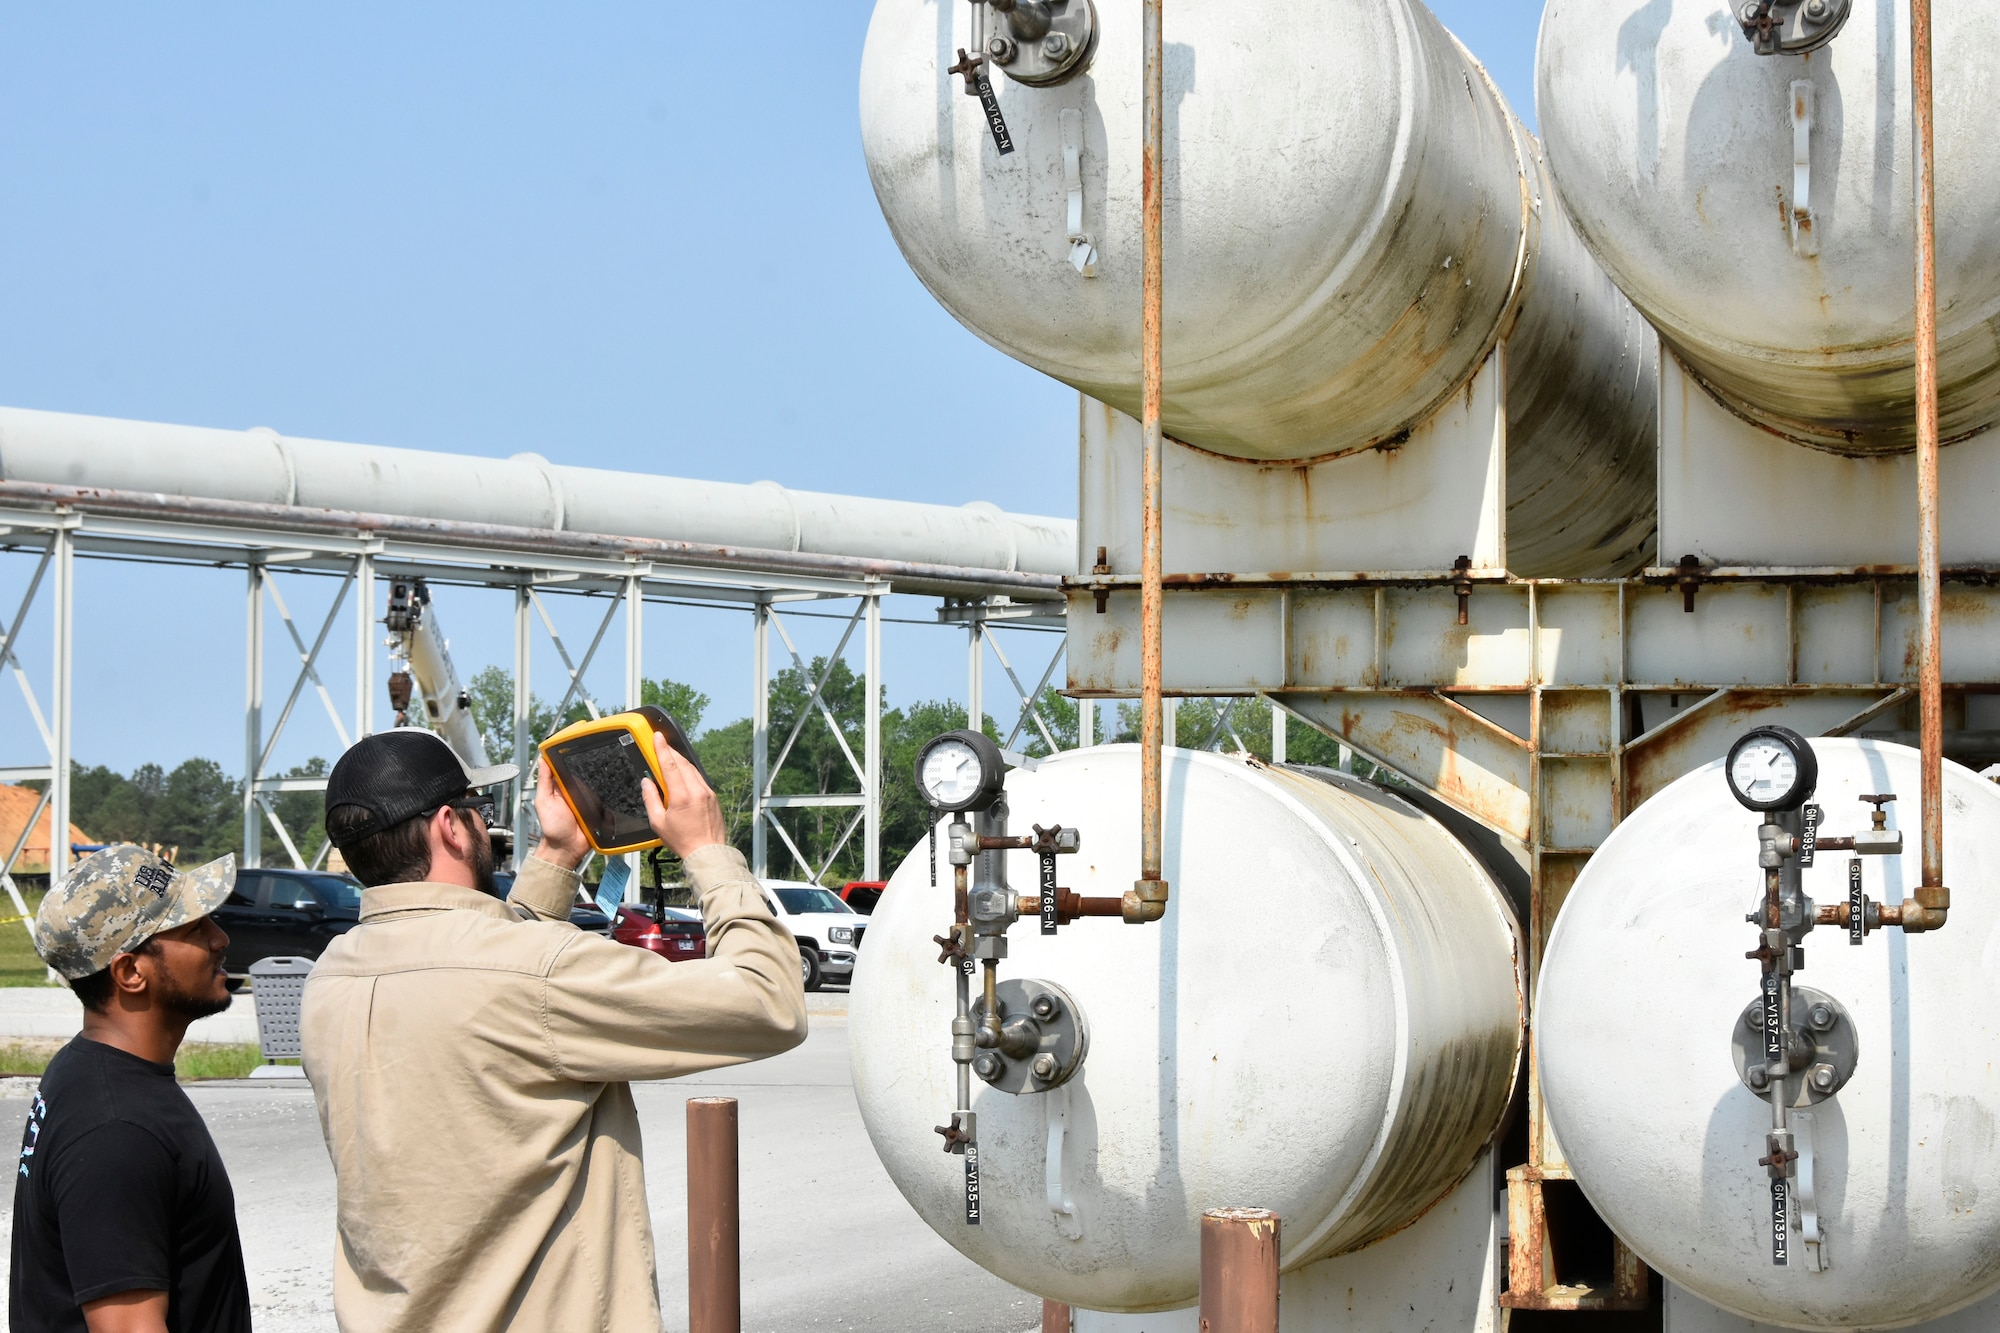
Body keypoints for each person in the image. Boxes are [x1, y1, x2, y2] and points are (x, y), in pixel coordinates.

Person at [300, 728, 808, 1332]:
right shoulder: (536, 971)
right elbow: (767, 998)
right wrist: (708, 852)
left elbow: (486, 980)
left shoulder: (330, 978)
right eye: (476, 811)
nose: (485, 828)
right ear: (450, 827)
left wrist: (559, 855)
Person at [11, 845, 253, 1333]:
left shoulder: (96, 1073)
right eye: (193, 930)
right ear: (130, 972)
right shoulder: (116, 1128)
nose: (220, 938)